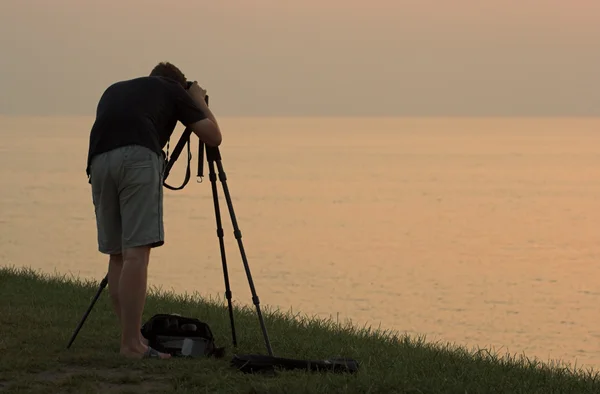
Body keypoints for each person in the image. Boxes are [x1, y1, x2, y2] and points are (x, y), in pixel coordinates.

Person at [85, 62, 222, 359]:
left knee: (118, 254)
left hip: (98, 161)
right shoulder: (173, 89)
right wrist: (196, 99)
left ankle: (132, 337)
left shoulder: (117, 89)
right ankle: (132, 346)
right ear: (179, 83)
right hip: (136, 157)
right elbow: (213, 136)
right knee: (137, 253)